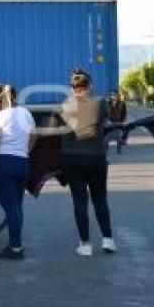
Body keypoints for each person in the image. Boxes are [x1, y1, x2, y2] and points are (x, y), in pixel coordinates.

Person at [60, 69, 115, 256]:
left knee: (79, 201)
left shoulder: (66, 105)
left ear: (72, 88)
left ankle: (85, 245)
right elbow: (103, 124)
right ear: (89, 86)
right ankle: (108, 241)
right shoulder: (100, 102)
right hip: (95, 156)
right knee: (100, 199)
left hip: (71, 158)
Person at [0, 84, 36, 260]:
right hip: (22, 163)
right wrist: (25, 151)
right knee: (16, 206)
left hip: (2, 164)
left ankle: (15, 248)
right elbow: (34, 136)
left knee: (10, 207)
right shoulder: (26, 113)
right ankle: (15, 243)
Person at [106, 90, 127, 154]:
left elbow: (124, 113)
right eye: (112, 95)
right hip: (110, 121)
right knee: (107, 137)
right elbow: (105, 113)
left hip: (119, 122)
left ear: (118, 95)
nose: (113, 96)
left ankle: (119, 149)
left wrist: (122, 121)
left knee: (119, 136)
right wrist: (107, 120)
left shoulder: (122, 103)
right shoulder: (108, 103)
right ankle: (106, 149)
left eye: (115, 95)